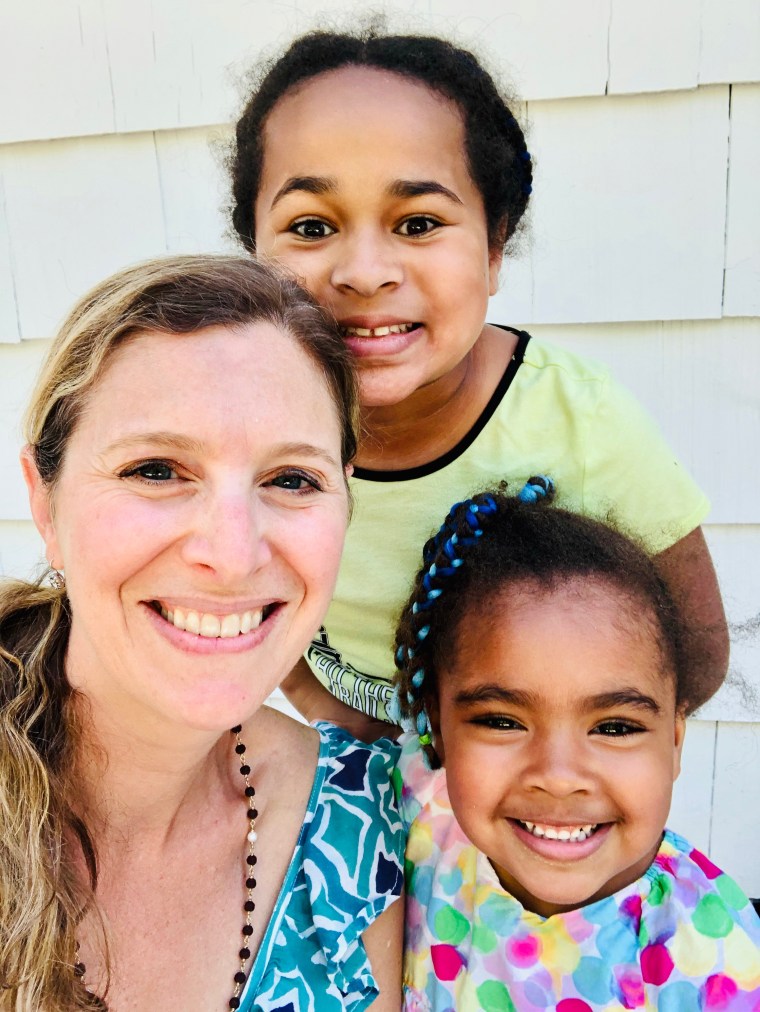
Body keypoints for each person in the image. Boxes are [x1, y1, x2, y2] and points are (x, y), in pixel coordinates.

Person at [229, 28, 729, 739]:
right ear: (255, 249)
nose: (364, 272)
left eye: (419, 221)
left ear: (495, 248)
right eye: (310, 226)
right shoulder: (243, 424)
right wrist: (332, 717)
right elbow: (250, 598)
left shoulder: (579, 423)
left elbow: (698, 654)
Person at [0, 254, 404, 1011]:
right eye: (157, 470)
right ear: (45, 504)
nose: (232, 554)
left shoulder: (355, 819)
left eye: (292, 480)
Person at [392, 478, 760, 1010]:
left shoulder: (716, 957)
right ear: (438, 728)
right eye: (501, 722)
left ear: (675, 742)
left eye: (614, 728)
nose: (559, 775)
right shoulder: (418, 814)